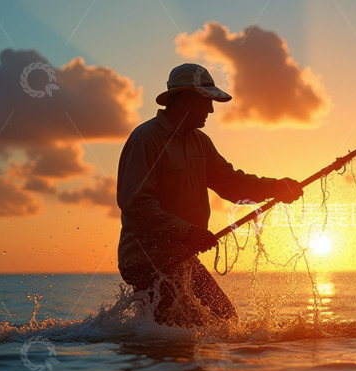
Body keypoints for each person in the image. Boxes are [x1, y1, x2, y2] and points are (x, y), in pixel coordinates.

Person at [117, 63, 303, 326]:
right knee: (192, 329)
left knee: (225, 320)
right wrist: (187, 232)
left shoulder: (200, 143)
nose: (211, 110)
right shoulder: (146, 140)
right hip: (148, 261)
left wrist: (275, 188)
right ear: (185, 98)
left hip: (181, 258)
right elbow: (137, 205)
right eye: (207, 101)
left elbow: (231, 183)